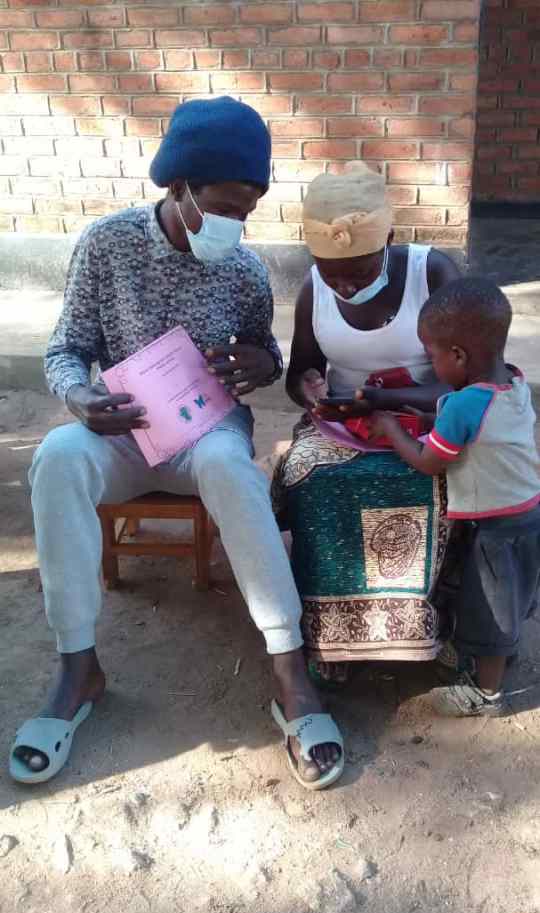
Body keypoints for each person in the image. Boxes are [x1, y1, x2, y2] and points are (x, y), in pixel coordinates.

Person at [9, 96, 343, 791]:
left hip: (205, 433)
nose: (234, 225)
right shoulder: (107, 245)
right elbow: (67, 349)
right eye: (222, 207)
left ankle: (289, 668)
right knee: (57, 458)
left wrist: (260, 363)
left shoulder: (244, 270)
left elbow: (266, 355)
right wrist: (79, 398)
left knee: (231, 466)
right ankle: (78, 666)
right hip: (124, 433)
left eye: (247, 212)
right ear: (179, 188)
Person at [272, 161, 460, 678]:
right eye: (332, 273)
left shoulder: (433, 273)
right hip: (343, 422)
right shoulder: (314, 288)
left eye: (358, 273)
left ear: (390, 241)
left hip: (431, 415)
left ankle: (435, 622)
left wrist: (385, 402)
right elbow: (300, 370)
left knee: (450, 479)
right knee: (308, 475)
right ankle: (330, 634)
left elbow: (469, 382)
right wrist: (310, 389)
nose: (346, 285)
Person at [369, 277, 540, 716]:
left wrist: (391, 429)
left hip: (496, 530)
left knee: (491, 607)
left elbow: (429, 462)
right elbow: (480, 426)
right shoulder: (514, 382)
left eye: (433, 357)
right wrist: (433, 418)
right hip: (527, 516)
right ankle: (495, 653)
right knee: (511, 596)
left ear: (459, 356)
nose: (432, 365)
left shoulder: (464, 406)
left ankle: (485, 694)